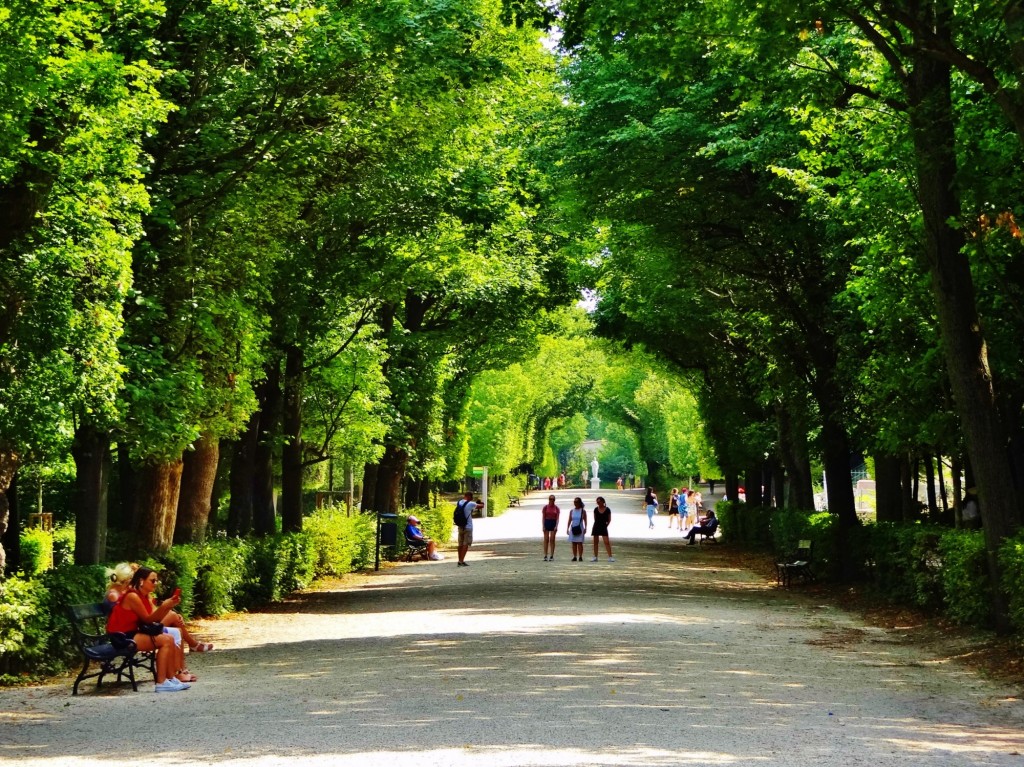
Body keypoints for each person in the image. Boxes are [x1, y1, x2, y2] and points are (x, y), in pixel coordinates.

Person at [106, 566, 191, 692]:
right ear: (141, 581)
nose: (156, 583)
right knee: (165, 641)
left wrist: (168, 606)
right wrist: (164, 606)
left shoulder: (144, 596)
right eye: (153, 580)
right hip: (121, 637)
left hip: (132, 632)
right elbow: (148, 619)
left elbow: (155, 619)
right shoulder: (133, 596)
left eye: (157, 580)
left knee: (170, 638)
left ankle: (171, 678)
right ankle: (161, 683)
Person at [105, 562, 212, 661]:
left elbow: (151, 613)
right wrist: (165, 606)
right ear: (126, 580)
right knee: (168, 635)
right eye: (134, 578)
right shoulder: (122, 595)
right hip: (126, 634)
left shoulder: (134, 593)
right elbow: (142, 618)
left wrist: (167, 606)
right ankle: (190, 649)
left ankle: (181, 668)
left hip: (137, 628)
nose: (136, 581)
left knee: (173, 620)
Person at [455, 491, 477, 567]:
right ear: (469, 496)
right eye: (472, 497)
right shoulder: (471, 504)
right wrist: (481, 502)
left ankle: (459, 560)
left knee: (460, 544)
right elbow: (481, 506)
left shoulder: (459, 502)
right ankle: (461, 561)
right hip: (468, 527)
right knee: (465, 544)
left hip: (460, 526)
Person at [590, 496, 614, 562]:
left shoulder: (607, 509)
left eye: (599, 502)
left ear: (603, 502)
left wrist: (606, 525)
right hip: (596, 526)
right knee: (595, 542)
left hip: (603, 526)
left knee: (607, 542)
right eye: (597, 502)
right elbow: (595, 518)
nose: (598, 503)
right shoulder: (595, 509)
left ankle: (610, 557)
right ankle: (595, 557)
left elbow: (609, 519)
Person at [567, 497, 588, 561]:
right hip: (573, 528)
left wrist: (585, 528)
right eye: (574, 502)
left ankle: (580, 556)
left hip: (580, 528)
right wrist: (567, 528)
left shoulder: (583, 511)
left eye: (576, 502)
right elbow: (570, 520)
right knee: (574, 543)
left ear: (579, 503)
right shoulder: (572, 511)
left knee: (579, 543)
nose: (575, 503)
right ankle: (575, 556)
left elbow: (585, 520)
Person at [541, 494, 560, 561]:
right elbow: (543, 517)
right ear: (548, 500)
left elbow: (557, 518)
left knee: (552, 539)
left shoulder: (556, 508)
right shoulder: (545, 507)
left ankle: (551, 555)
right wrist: (543, 526)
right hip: (547, 522)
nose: (551, 500)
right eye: (550, 499)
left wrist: (556, 526)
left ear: (554, 500)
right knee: (546, 539)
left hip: (553, 522)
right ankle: (545, 555)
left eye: (553, 499)